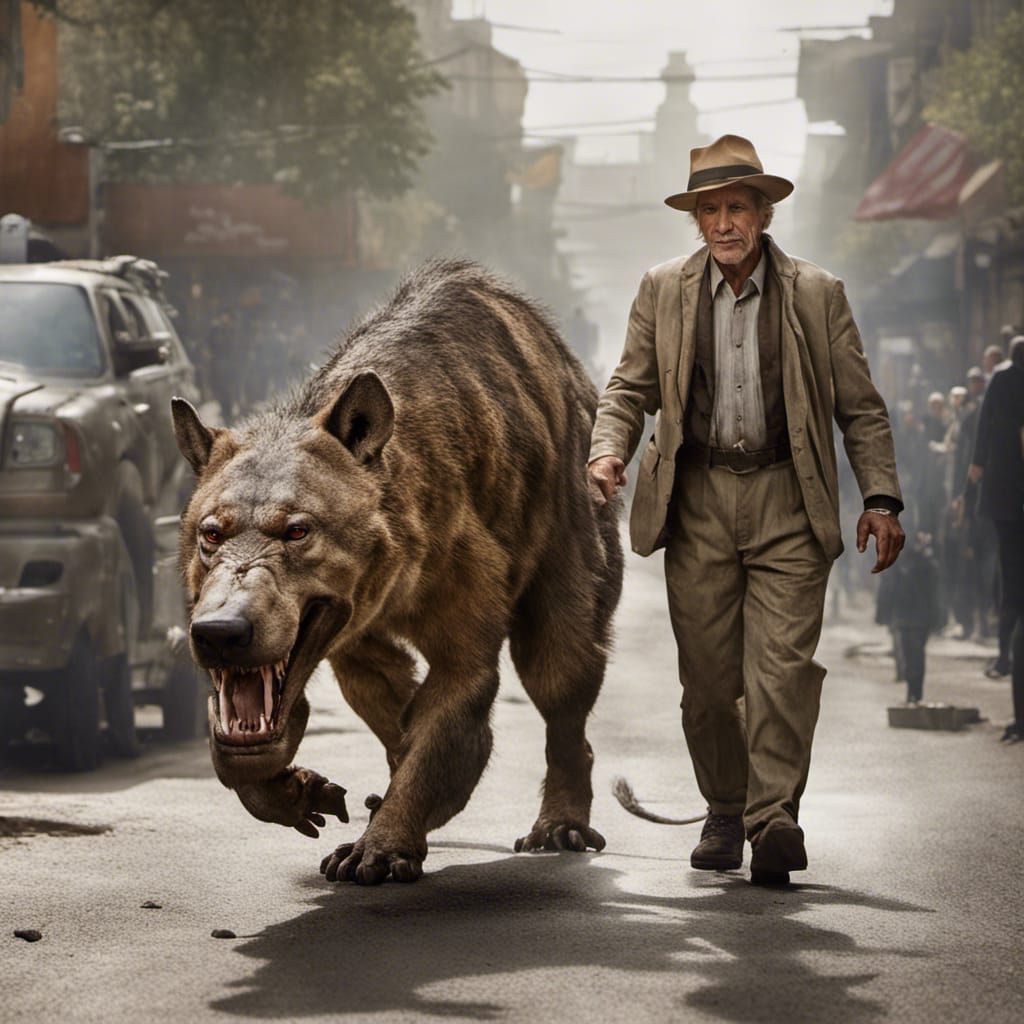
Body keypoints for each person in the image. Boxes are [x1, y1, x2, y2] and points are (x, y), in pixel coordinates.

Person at [587, 134, 904, 884]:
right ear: (696, 220)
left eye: (737, 207)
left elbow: (861, 408)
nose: (724, 223)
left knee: (781, 672)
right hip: (696, 500)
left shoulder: (817, 293)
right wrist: (607, 450)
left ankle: (773, 819)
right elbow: (629, 388)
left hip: (789, 497)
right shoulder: (663, 289)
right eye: (710, 210)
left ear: (763, 214)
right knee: (707, 685)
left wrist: (880, 496)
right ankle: (726, 808)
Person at [969, 336, 1024, 741]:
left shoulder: (999, 383)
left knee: (1011, 587)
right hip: (1013, 498)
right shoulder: (1011, 383)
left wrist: (976, 470)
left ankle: (1004, 654)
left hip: (1002, 501)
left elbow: (983, 431)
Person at [876, 531, 945, 704]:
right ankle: (913, 692)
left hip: (914, 615)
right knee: (912, 654)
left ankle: (913, 692)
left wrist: (883, 613)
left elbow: (888, 586)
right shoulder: (921, 562)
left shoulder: (922, 563)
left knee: (911, 653)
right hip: (911, 615)